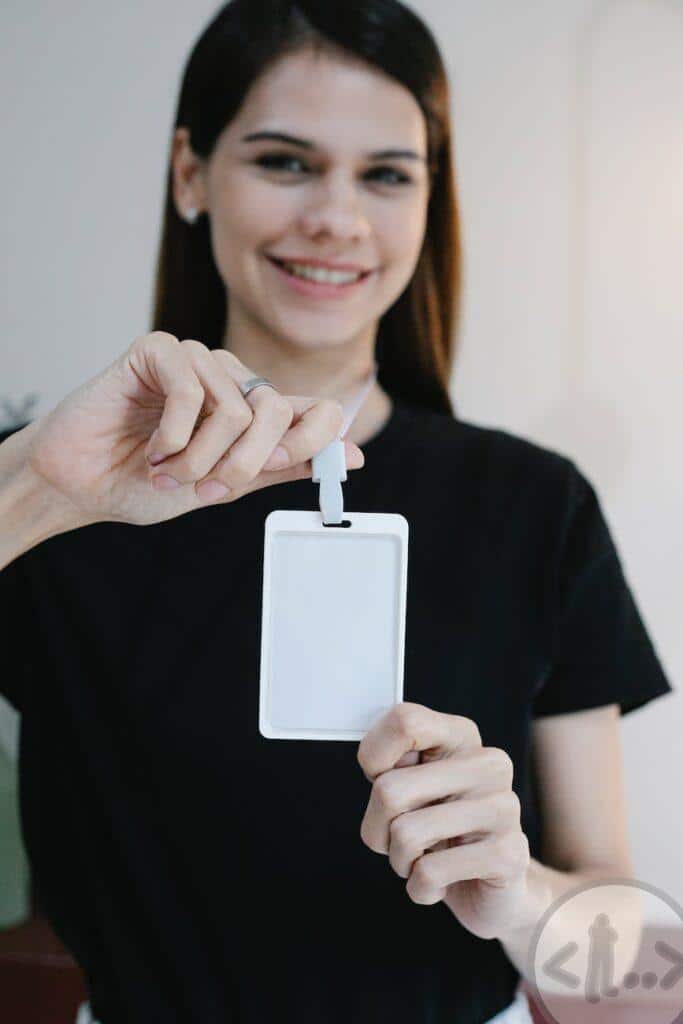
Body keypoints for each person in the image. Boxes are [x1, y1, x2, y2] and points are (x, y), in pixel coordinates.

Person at [0, 2, 673, 1022]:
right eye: (283, 161)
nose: (337, 217)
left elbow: (648, 992)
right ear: (190, 172)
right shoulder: (58, 490)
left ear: (428, 200)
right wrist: (34, 490)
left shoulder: (534, 507)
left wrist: (521, 899)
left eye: (386, 173)